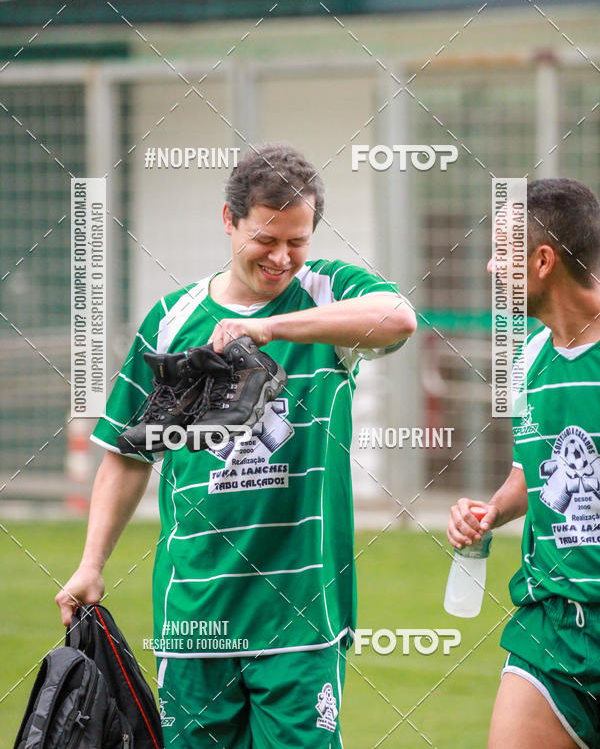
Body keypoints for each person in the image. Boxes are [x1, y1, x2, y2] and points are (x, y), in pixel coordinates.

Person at [56, 144, 417, 747]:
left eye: (297, 242)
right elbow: (127, 455)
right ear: (229, 220)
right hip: (195, 614)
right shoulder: (171, 320)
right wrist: (91, 566)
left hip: (300, 615)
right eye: (265, 239)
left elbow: (398, 318)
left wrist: (268, 327)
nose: (282, 258)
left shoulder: (328, 294)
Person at [447, 178, 600, 749]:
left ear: (542, 261)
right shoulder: (528, 357)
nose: (490, 267)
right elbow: (529, 473)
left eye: (501, 253)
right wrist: (489, 512)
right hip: (552, 626)